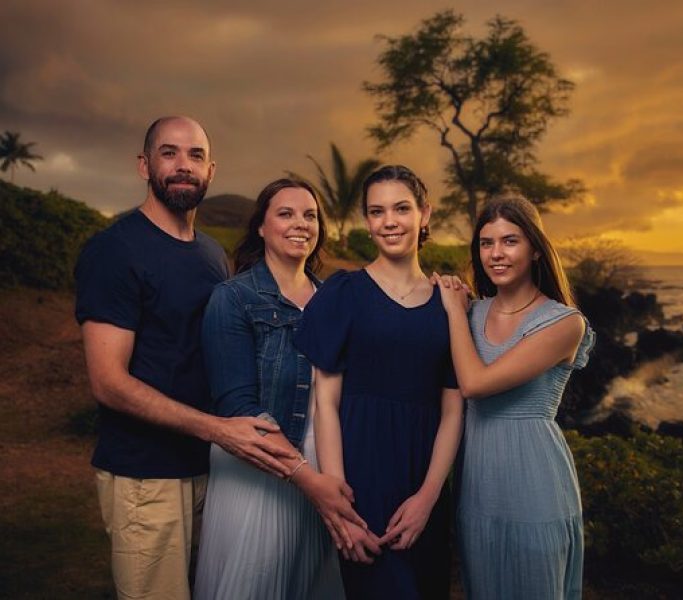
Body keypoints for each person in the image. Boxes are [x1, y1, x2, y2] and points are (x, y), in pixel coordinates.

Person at [75, 116, 297, 600]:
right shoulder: (115, 251)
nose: (183, 166)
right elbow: (108, 382)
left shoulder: (212, 255)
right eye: (169, 153)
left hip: (210, 470)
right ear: (144, 165)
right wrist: (219, 430)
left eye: (195, 155)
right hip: (146, 473)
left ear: (211, 170)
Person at [294, 165, 463, 599]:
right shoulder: (343, 292)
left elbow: (453, 410)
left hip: (424, 485)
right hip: (361, 482)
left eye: (401, 208)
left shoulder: (451, 303)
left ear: (425, 214)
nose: (389, 221)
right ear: (367, 221)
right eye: (377, 211)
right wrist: (341, 507)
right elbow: (325, 405)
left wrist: (428, 498)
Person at [194, 178, 366, 599]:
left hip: (323, 463)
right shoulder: (232, 298)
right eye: (285, 213)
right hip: (257, 467)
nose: (300, 224)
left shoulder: (333, 300)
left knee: (308, 583)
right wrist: (307, 479)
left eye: (310, 215)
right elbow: (239, 410)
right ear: (261, 227)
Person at [433, 194, 595, 600]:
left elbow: (474, 384)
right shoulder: (473, 313)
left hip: (536, 486)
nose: (496, 254)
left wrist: (453, 311)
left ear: (536, 249)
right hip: (477, 489)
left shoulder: (564, 322)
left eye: (510, 241)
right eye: (486, 243)